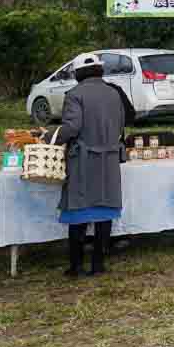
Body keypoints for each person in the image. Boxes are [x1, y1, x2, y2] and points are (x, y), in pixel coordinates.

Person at [57, 53, 125, 277]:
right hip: (110, 157)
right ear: (100, 70)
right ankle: (98, 264)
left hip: (83, 160)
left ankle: (76, 266)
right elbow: (124, 122)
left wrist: (50, 137)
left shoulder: (74, 94)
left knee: (79, 210)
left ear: (77, 73)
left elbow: (72, 127)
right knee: (104, 210)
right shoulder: (114, 92)